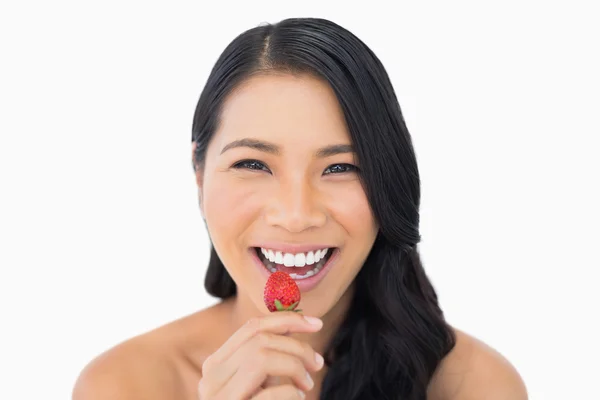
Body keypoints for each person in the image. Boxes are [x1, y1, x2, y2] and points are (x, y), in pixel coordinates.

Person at [73, 17, 527, 400]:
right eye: (252, 164)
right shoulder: (125, 384)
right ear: (199, 173)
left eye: (341, 167)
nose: (296, 214)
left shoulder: (475, 384)